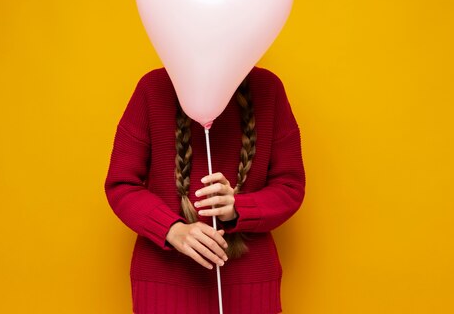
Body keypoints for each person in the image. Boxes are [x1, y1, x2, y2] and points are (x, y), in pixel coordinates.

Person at [104, 65, 306, 314]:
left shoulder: (268, 89)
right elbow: (121, 184)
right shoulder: (152, 87)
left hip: (249, 286)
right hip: (164, 287)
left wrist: (237, 209)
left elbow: (290, 186)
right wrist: (172, 229)